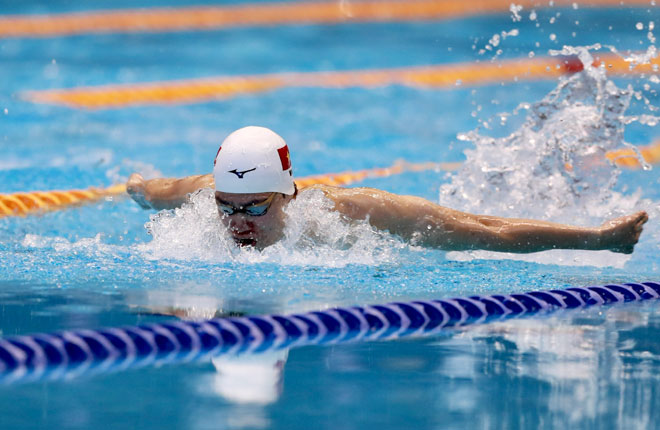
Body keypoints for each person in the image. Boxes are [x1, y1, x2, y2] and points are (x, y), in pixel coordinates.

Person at [126, 126, 648, 253]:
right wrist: (137, 188)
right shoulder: (204, 197)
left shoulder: (351, 212)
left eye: (257, 206)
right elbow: (156, 190)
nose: (238, 222)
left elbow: (483, 228)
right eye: (228, 207)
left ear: (286, 194)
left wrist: (598, 240)